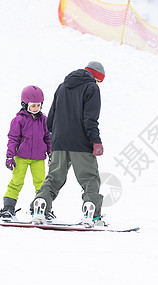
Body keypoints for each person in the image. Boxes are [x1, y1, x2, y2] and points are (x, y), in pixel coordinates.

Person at [30, 61, 105, 227]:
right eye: (99, 81)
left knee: (54, 178)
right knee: (89, 179)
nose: (99, 84)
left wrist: (52, 137)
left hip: (59, 141)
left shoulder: (62, 86)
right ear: (96, 77)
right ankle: (92, 213)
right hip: (81, 143)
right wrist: (96, 141)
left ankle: (40, 205)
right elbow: (90, 119)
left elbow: (51, 118)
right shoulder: (92, 88)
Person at [0, 85, 51, 221]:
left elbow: (48, 138)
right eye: (33, 106)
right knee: (16, 182)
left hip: (39, 158)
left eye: (38, 105)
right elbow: (13, 139)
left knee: (41, 184)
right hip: (21, 157)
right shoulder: (19, 120)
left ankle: (42, 209)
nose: (36, 108)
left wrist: (51, 153)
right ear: (24, 104)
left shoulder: (44, 120)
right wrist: (10, 156)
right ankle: (8, 208)